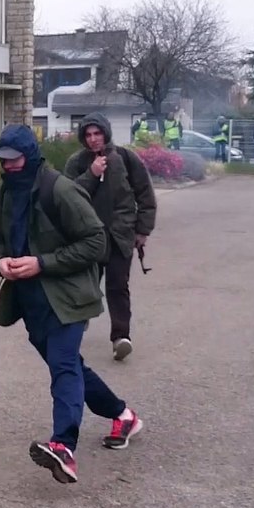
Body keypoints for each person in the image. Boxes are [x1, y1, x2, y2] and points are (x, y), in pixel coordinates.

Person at [0, 124, 144, 485]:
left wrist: (42, 263)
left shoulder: (61, 189)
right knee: (71, 368)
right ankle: (124, 415)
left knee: (64, 366)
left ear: (31, 155)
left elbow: (96, 242)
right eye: (3, 160)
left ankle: (63, 447)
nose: (8, 166)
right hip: (30, 301)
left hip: (69, 298)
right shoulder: (3, 195)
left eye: (15, 159)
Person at [63, 113, 158, 361]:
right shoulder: (76, 162)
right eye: (88, 135)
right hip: (87, 237)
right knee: (85, 287)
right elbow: (67, 197)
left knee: (118, 287)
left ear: (106, 133)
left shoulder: (126, 158)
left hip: (120, 236)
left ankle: (121, 337)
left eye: (97, 133)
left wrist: (143, 230)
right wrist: (91, 174)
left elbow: (145, 194)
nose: (93, 139)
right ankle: (76, 327)